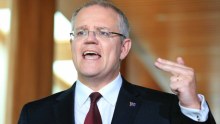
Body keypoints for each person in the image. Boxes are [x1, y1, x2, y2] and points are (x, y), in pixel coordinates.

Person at [18, 0, 216, 124]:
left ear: (124, 48)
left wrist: (191, 105)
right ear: (72, 44)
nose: (90, 38)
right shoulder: (35, 114)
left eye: (103, 32)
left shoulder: (164, 109)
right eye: (81, 32)